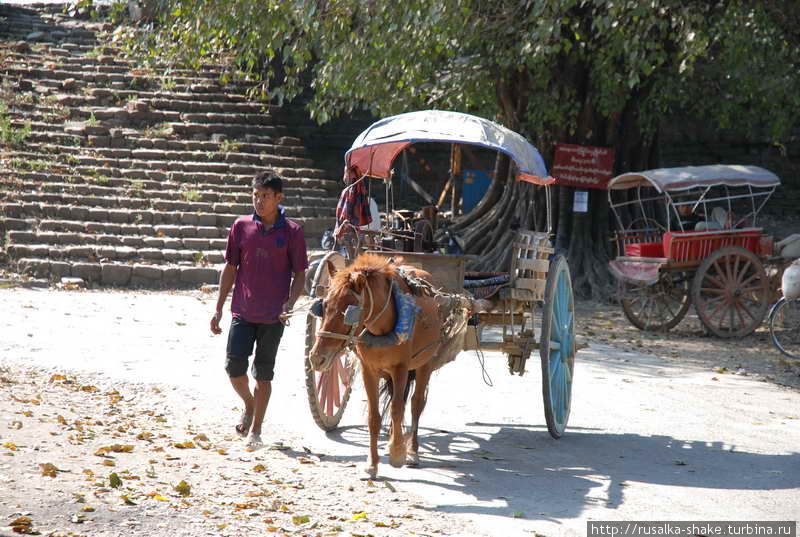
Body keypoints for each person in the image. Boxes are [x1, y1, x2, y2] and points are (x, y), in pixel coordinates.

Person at [210, 170, 308, 449]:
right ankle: (249, 404)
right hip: (242, 310)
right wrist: (218, 308)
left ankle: (256, 430)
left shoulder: (293, 232)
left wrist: (289, 304)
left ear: (279, 198)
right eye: (255, 195)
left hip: (273, 316)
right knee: (234, 369)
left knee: (263, 374)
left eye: (265, 196)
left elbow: (300, 274)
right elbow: (230, 268)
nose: (259, 201)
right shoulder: (241, 227)